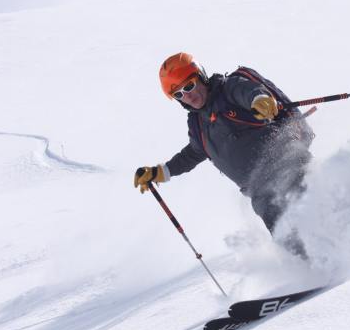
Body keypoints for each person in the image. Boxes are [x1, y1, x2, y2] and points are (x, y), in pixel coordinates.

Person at [134, 52, 314, 257]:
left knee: (314, 214)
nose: (187, 95)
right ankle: (314, 269)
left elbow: (247, 91)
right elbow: (193, 153)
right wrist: (162, 171)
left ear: (201, 76)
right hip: (261, 194)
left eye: (189, 86)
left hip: (289, 166)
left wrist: (260, 99)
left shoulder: (228, 89)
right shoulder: (198, 125)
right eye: (179, 94)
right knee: (291, 244)